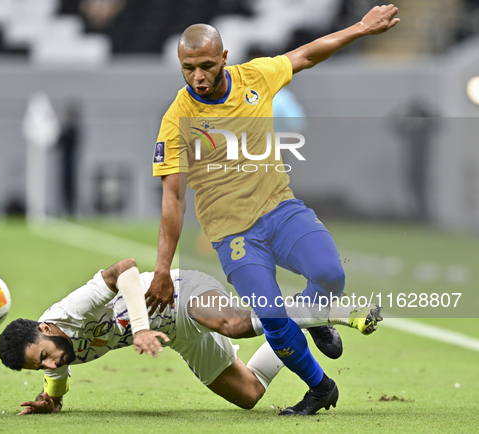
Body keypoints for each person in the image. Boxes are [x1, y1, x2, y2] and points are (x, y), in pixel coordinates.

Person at [147, 5, 399, 415]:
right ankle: (321, 388)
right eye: (188, 68)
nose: (198, 76)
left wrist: (360, 28)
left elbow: (307, 54)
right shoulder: (176, 120)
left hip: (281, 211)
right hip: (234, 236)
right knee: (272, 316)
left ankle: (316, 317)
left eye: (207, 66)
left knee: (331, 274)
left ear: (224, 58)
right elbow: (173, 199)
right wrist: (162, 268)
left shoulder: (256, 78)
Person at [0, 258, 382, 415]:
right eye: (41, 365)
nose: (52, 363)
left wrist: (142, 325)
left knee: (235, 324)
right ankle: (301, 314)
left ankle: (339, 313)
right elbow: (56, 382)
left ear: (46, 329)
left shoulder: (69, 312)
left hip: (179, 295)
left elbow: (126, 271)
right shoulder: (54, 356)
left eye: (45, 355)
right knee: (249, 394)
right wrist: (53, 401)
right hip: (177, 335)